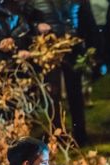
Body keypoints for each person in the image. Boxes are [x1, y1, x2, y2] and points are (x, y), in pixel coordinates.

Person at [25, 0, 89, 146]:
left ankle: (80, 135)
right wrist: (36, 26)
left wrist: (87, 43)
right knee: (53, 95)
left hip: (72, 48)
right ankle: (57, 136)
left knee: (75, 94)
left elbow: (85, 17)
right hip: (49, 50)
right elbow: (23, 19)